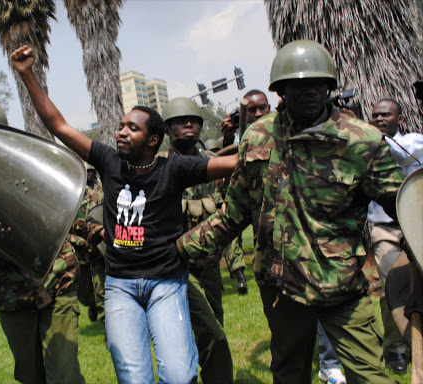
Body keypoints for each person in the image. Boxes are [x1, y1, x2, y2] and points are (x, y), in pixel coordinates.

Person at [178, 40, 405, 383]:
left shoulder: (362, 142)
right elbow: (233, 213)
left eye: (317, 84)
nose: (309, 92)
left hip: (342, 289)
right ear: (282, 90)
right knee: (289, 374)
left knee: (371, 376)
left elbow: (403, 206)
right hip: (282, 288)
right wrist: (177, 249)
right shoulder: (258, 137)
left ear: (329, 86)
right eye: (297, 85)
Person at [10, 45, 237, 384]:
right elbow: (57, 125)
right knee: (133, 377)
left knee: (179, 374)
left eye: (132, 128)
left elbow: (234, 162)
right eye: (121, 126)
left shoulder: (174, 169)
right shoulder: (108, 161)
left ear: (153, 139)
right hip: (120, 287)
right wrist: (27, 73)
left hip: (166, 282)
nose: (121, 132)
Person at [0, 96, 85, 384]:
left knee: (65, 376)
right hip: (11, 294)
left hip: (56, 280)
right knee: (30, 376)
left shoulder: (28, 164)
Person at [160, 97, 234, 384]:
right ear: (169, 128)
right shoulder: (160, 168)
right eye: (181, 121)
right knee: (211, 332)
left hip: (211, 264)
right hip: (179, 266)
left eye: (195, 120)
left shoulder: (212, 165)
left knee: (214, 326)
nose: (189, 125)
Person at [366, 98, 423, 374]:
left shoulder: (414, 143)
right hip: (384, 227)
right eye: (375, 115)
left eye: (385, 115)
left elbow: (400, 153)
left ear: (399, 119)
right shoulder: (365, 148)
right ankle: (397, 347)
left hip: (416, 228)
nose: (378, 119)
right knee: (392, 286)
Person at [219, 89, 272, 294]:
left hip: (267, 200)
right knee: (232, 236)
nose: (258, 114)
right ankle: (239, 274)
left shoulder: (282, 128)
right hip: (240, 195)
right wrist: (228, 137)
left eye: (262, 108)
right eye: (251, 110)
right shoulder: (236, 136)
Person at [70, 163, 105, 322]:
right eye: (87, 171)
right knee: (84, 286)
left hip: (103, 242)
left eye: (91, 171)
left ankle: (106, 320)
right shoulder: (77, 192)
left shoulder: (103, 188)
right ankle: (91, 304)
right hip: (85, 244)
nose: (89, 174)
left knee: (100, 283)